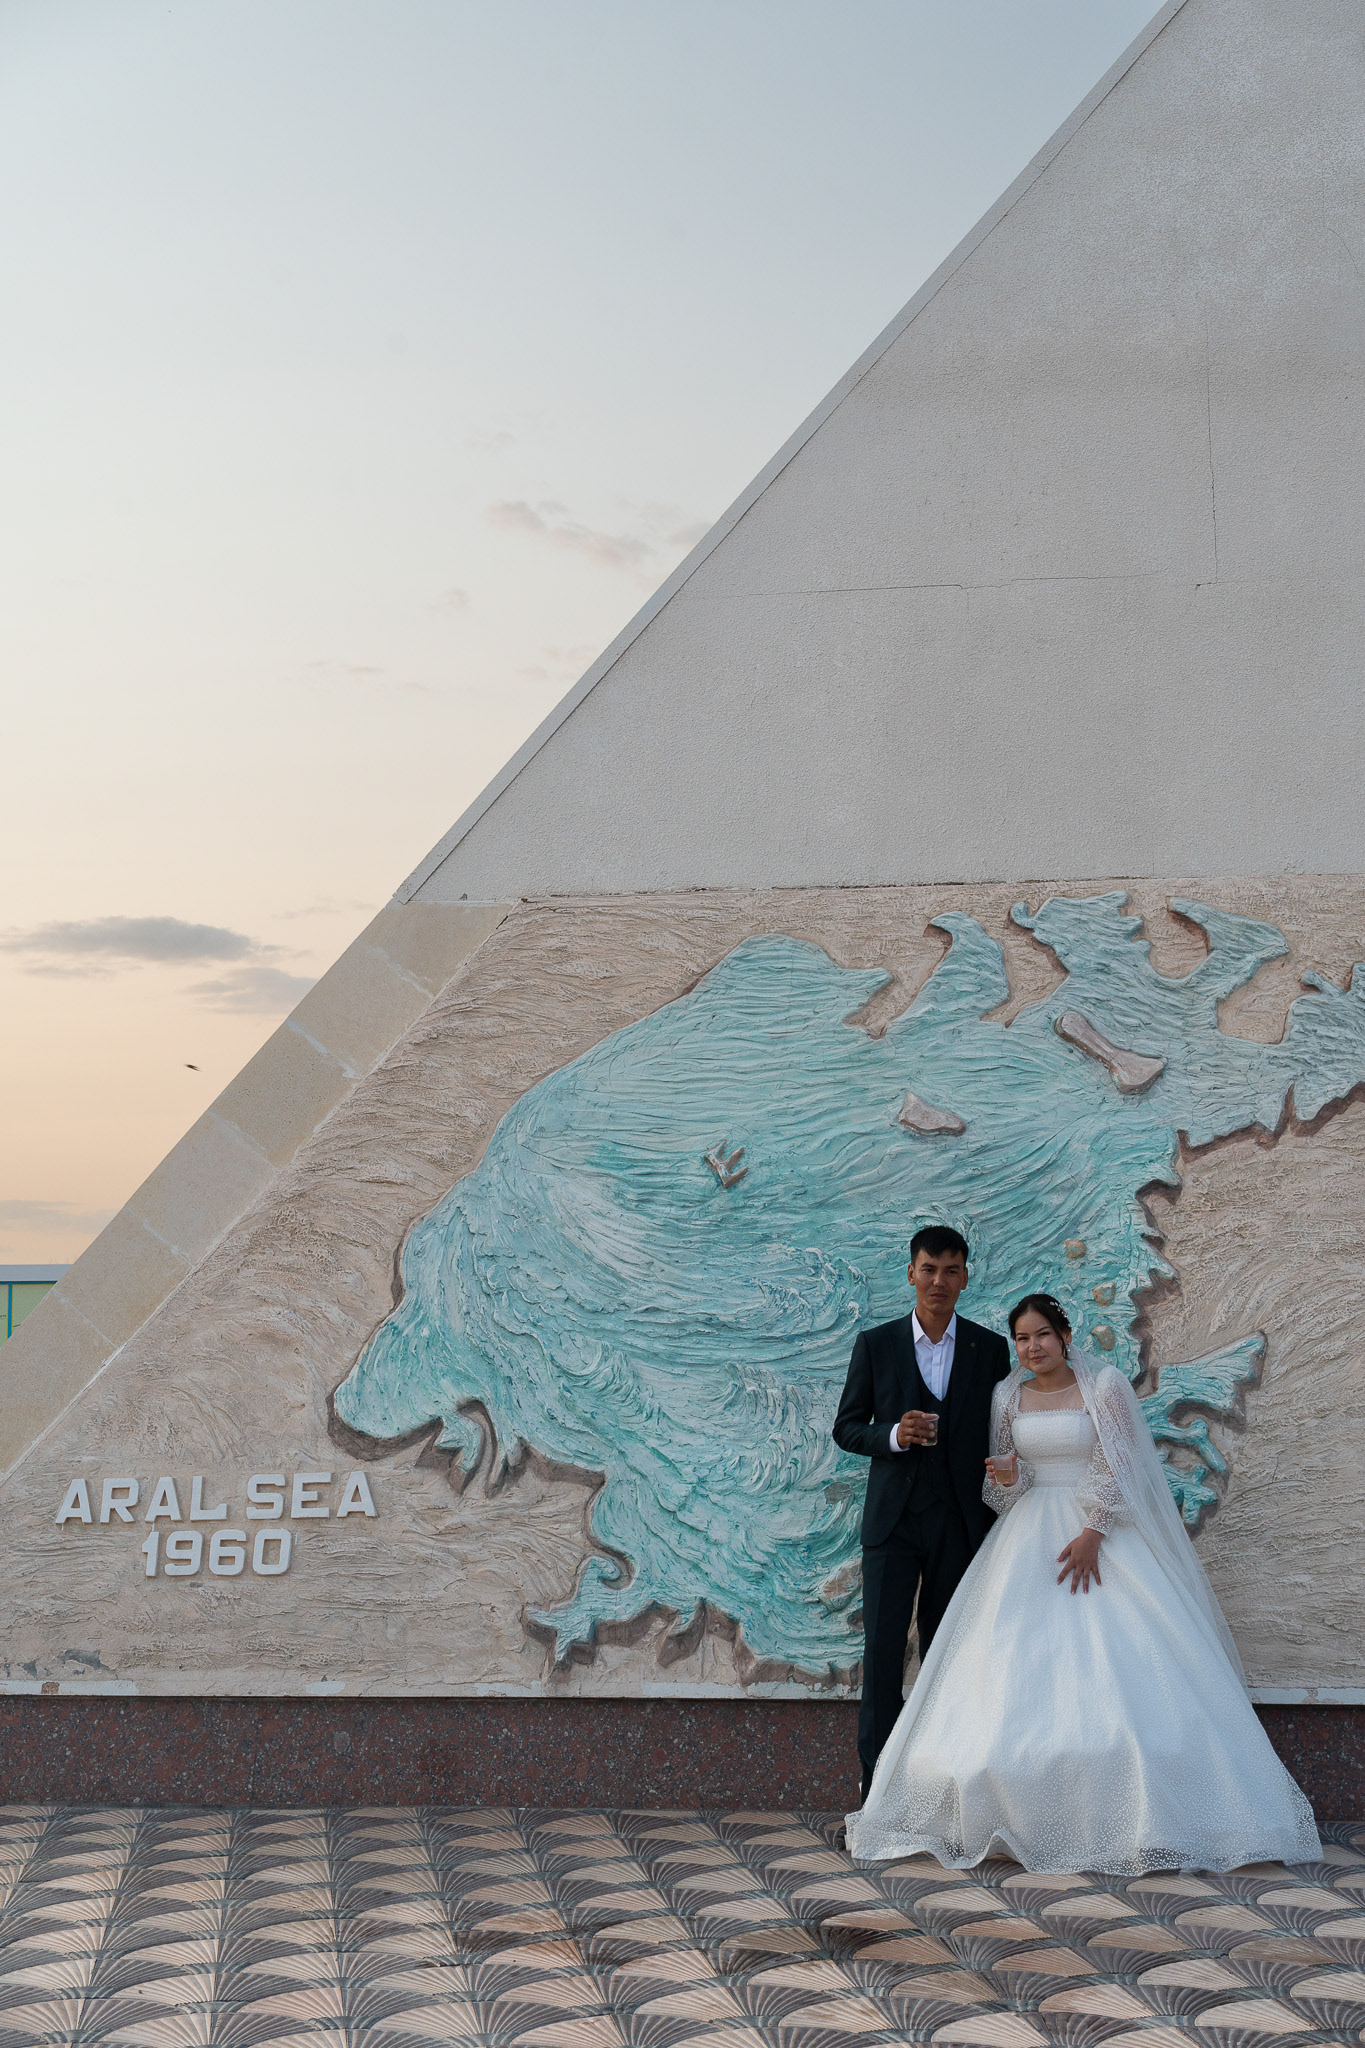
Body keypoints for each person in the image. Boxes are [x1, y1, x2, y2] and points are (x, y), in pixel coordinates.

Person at [845, 1292, 1320, 1874]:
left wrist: (1095, 1530)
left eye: (1041, 1334)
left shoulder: (1106, 1386)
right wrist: (1009, 1478)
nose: (1031, 1347)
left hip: (1100, 1534)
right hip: (1025, 1534)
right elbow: (1001, 1487)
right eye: (1021, 1338)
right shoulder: (1006, 1395)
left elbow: (1123, 1463)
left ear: (1064, 1336)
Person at [832, 1225, 1011, 1802]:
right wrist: (891, 1435)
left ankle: (939, 1791)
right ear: (911, 1273)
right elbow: (847, 1428)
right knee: (883, 1653)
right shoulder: (876, 1345)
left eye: (952, 1270)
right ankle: (876, 1792)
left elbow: (1002, 1430)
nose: (940, 1281)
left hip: (961, 1524)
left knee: (948, 1655)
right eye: (929, 1269)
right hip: (892, 1525)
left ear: (965, 1277)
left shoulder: (990, 1349)